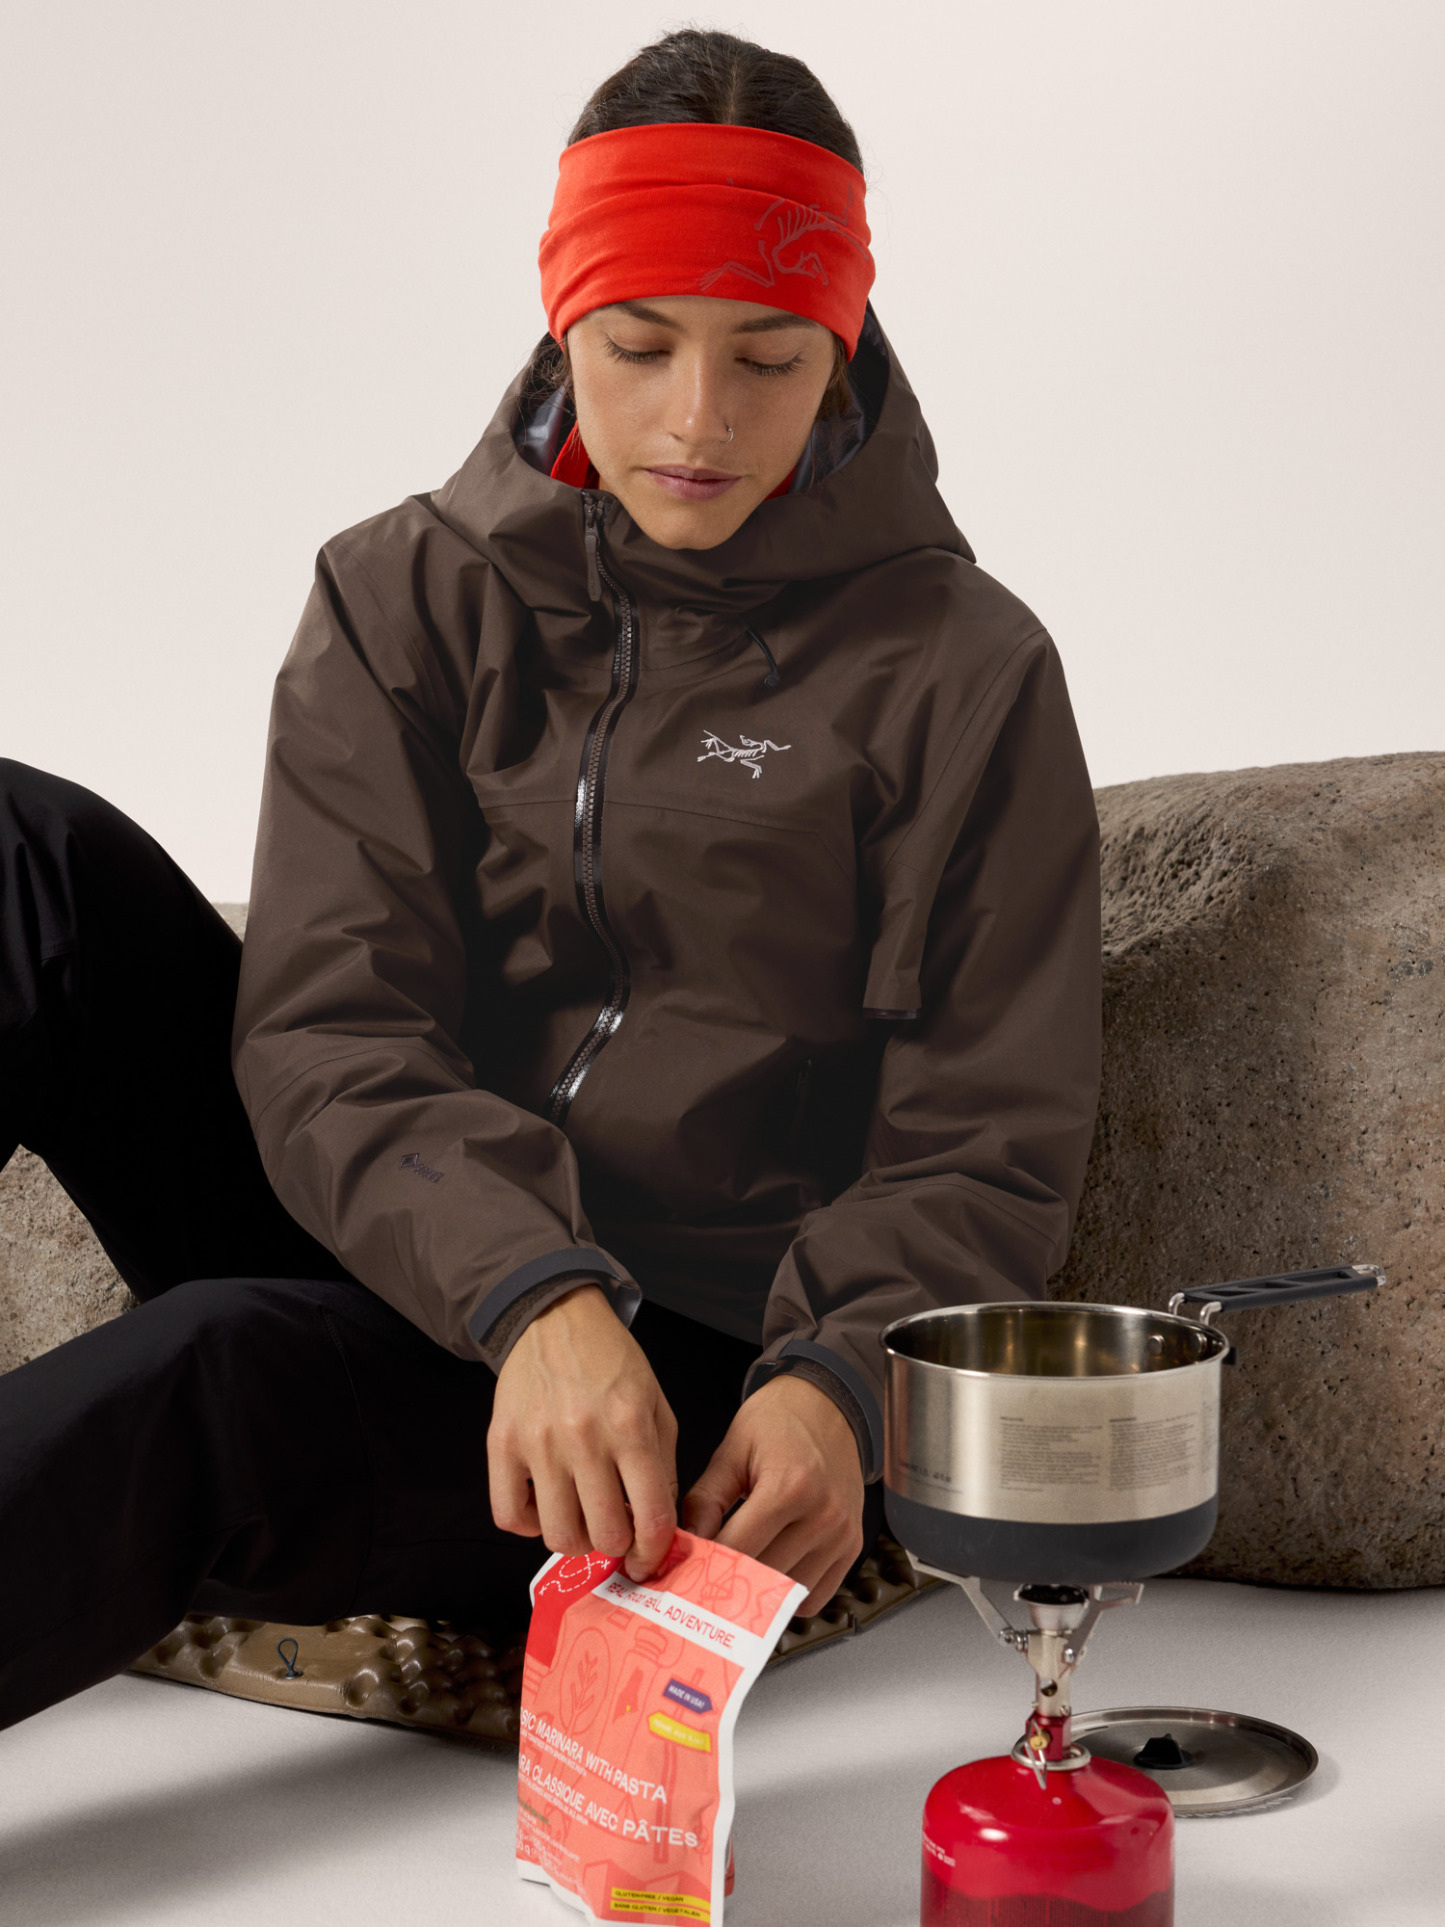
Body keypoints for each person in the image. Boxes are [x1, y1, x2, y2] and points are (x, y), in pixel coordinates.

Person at [0, 28, 1101, 1735]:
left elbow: (984, 1134)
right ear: (560, 316)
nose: (696, 419)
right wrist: (530, 1288)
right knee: (27, 853)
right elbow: (328, 1023)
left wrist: (834, 1381)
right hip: (412, 1246)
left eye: (767, 358)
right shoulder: (402, 595)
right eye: (638, 345)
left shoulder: (963, 672)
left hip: (686, 1384)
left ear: (844, 346)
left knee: (213, 1373)